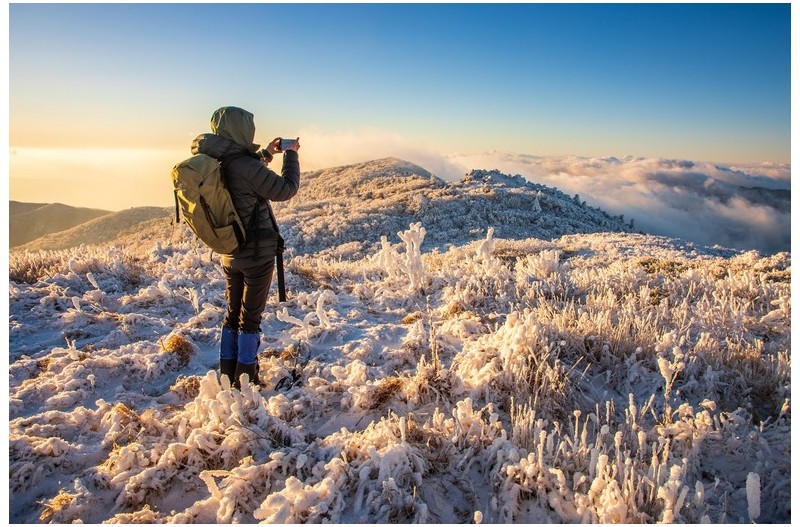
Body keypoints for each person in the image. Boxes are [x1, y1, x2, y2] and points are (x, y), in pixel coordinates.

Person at [191, 106, 300, 388]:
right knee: (249, 319)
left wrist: (265, 154)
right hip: (256, 253)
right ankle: (247, 379)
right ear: (242, 130)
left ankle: (228, 374)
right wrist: (291, 155)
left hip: (230, 250)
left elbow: (244, 177)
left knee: (232, 314)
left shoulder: (215, 161)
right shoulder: (245, 165)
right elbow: (285, 189)